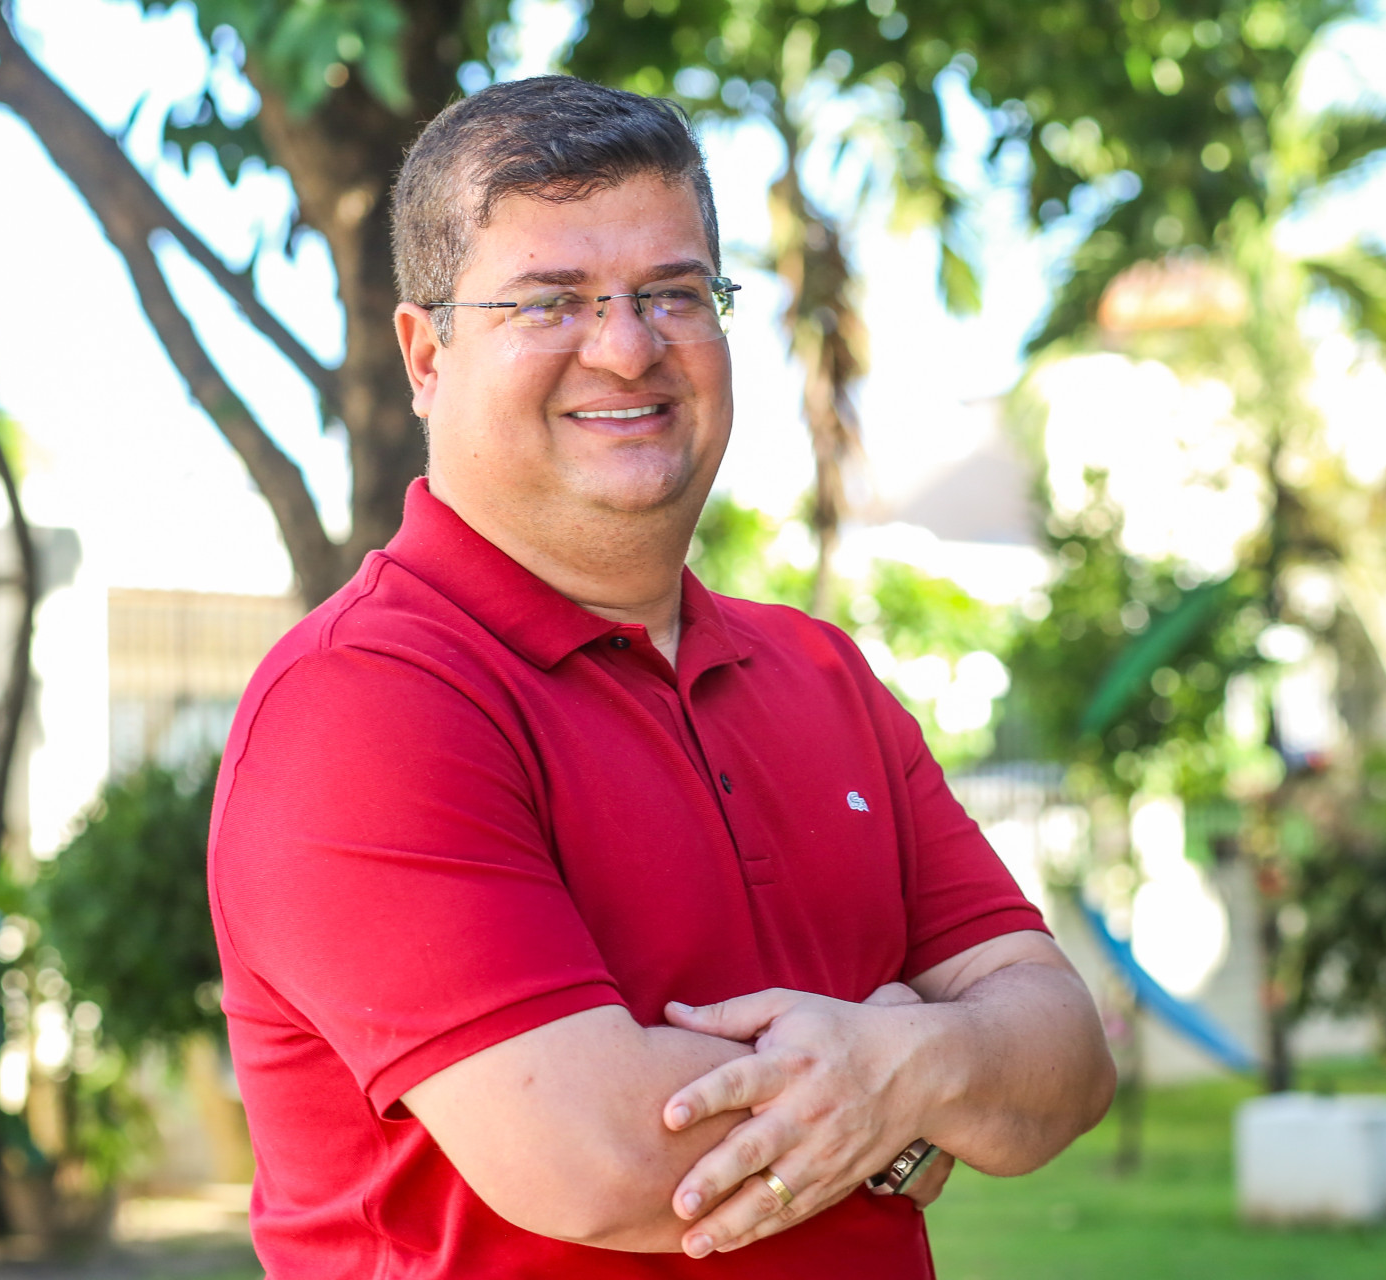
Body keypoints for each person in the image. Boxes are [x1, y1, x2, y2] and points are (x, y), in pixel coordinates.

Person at [207, 74, 1115, 1279]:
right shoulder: (363, 699)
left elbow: (1066, 1053)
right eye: (551, 302)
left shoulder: (820, 671)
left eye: (673, 292)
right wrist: (916, 1093)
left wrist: (911, 1064)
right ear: (427, 355)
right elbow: (605, 1156)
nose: (628, 346)